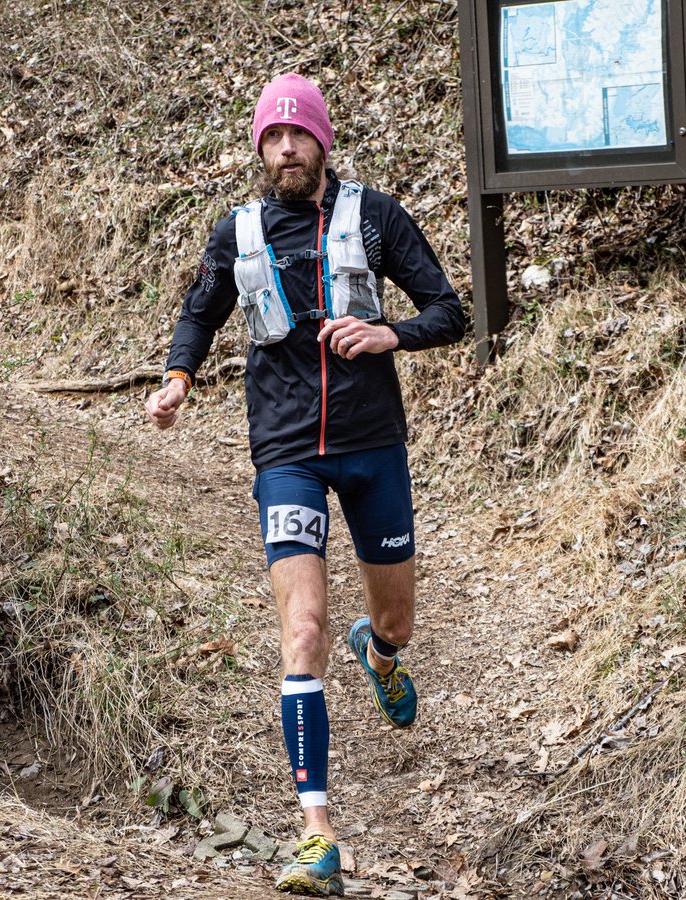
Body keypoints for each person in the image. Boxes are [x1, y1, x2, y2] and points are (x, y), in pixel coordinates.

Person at [145, 72, 464, 897]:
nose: (285, 148)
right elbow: (201, 311)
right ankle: (316, 835)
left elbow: (449, 312)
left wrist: (389, 332)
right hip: (284, 450)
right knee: (303, 630)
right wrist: (179, 377)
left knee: (395, 615)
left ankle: (381, 651)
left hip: (371, 445)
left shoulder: (375, 217)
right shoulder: (239, 230)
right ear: (259, 147)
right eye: (272, 136)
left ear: (323, 141)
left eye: (299, 134)